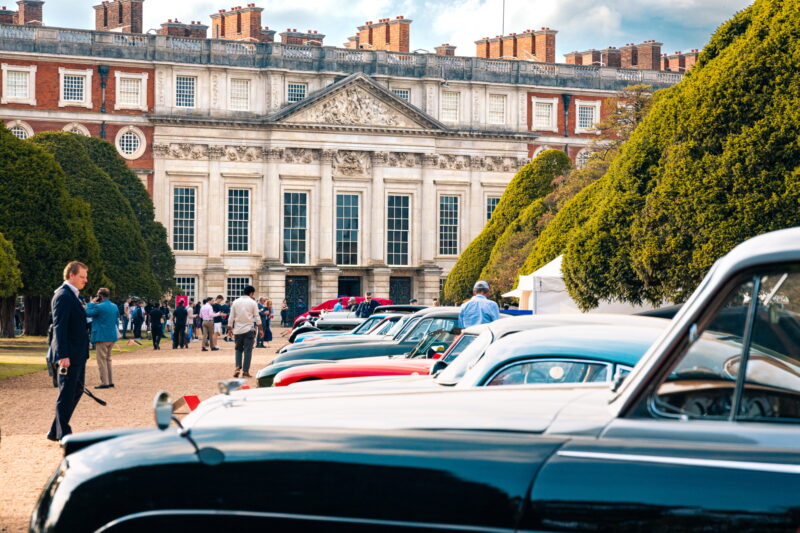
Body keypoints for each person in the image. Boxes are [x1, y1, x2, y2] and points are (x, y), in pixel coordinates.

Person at [47, 261, 90, 442]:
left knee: (77, 390)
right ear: (71, 275)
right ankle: (63, 432)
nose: (85, 280)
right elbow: (59, 327)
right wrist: (63, 355)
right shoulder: (63, 296)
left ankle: (55, 430)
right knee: (67, 393)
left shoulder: (73, 296)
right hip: (69, 354)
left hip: (77, 352)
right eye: (82, 276)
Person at [86, 288, 119, 389]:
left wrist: (91, 303)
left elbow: (87, 313)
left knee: (101, 360)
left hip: (101, 336)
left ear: (100, 296)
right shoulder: (115, 306)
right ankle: (110, 381)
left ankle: (104, 382)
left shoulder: (99, 307)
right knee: (108, 359)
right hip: (112, 336)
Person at [227, 285, 262, 378]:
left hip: (238, 329)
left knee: (238, 349)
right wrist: (261, 329)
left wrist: (229, 327)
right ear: (251, 293)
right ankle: (245, 372)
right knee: (248, 351)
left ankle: (237, 366)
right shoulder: (253, 302)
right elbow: (257, 317)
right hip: (248, 329)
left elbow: (231, 316)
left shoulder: (235, 302)